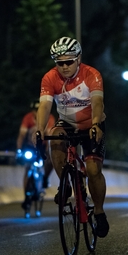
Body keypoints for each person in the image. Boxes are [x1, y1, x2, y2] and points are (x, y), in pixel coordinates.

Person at [33, 37, 110, 238]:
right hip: (66, 122)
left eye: (69, 62)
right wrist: (39, 129)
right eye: (60, 63)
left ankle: (99, 211)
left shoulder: (91, 74)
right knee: (54, 136)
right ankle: (66, 184)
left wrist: (95, 124)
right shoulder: (49, 78)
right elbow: (44, 106)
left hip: (91, 122)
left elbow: (97, 101)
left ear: (78, 58)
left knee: (93, 170)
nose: (65, 67)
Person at [16, 101, 55, 211]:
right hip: (30, 146)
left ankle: (45, 178)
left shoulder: (49, 118)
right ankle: (26, 196)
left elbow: (50, 136)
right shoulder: (28, 118)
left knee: (50, 161)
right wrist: (19, 150)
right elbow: (21, 135)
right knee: (27, 168)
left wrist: (48, 151)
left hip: (43, 146)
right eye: (34, 111)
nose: (36, 114)